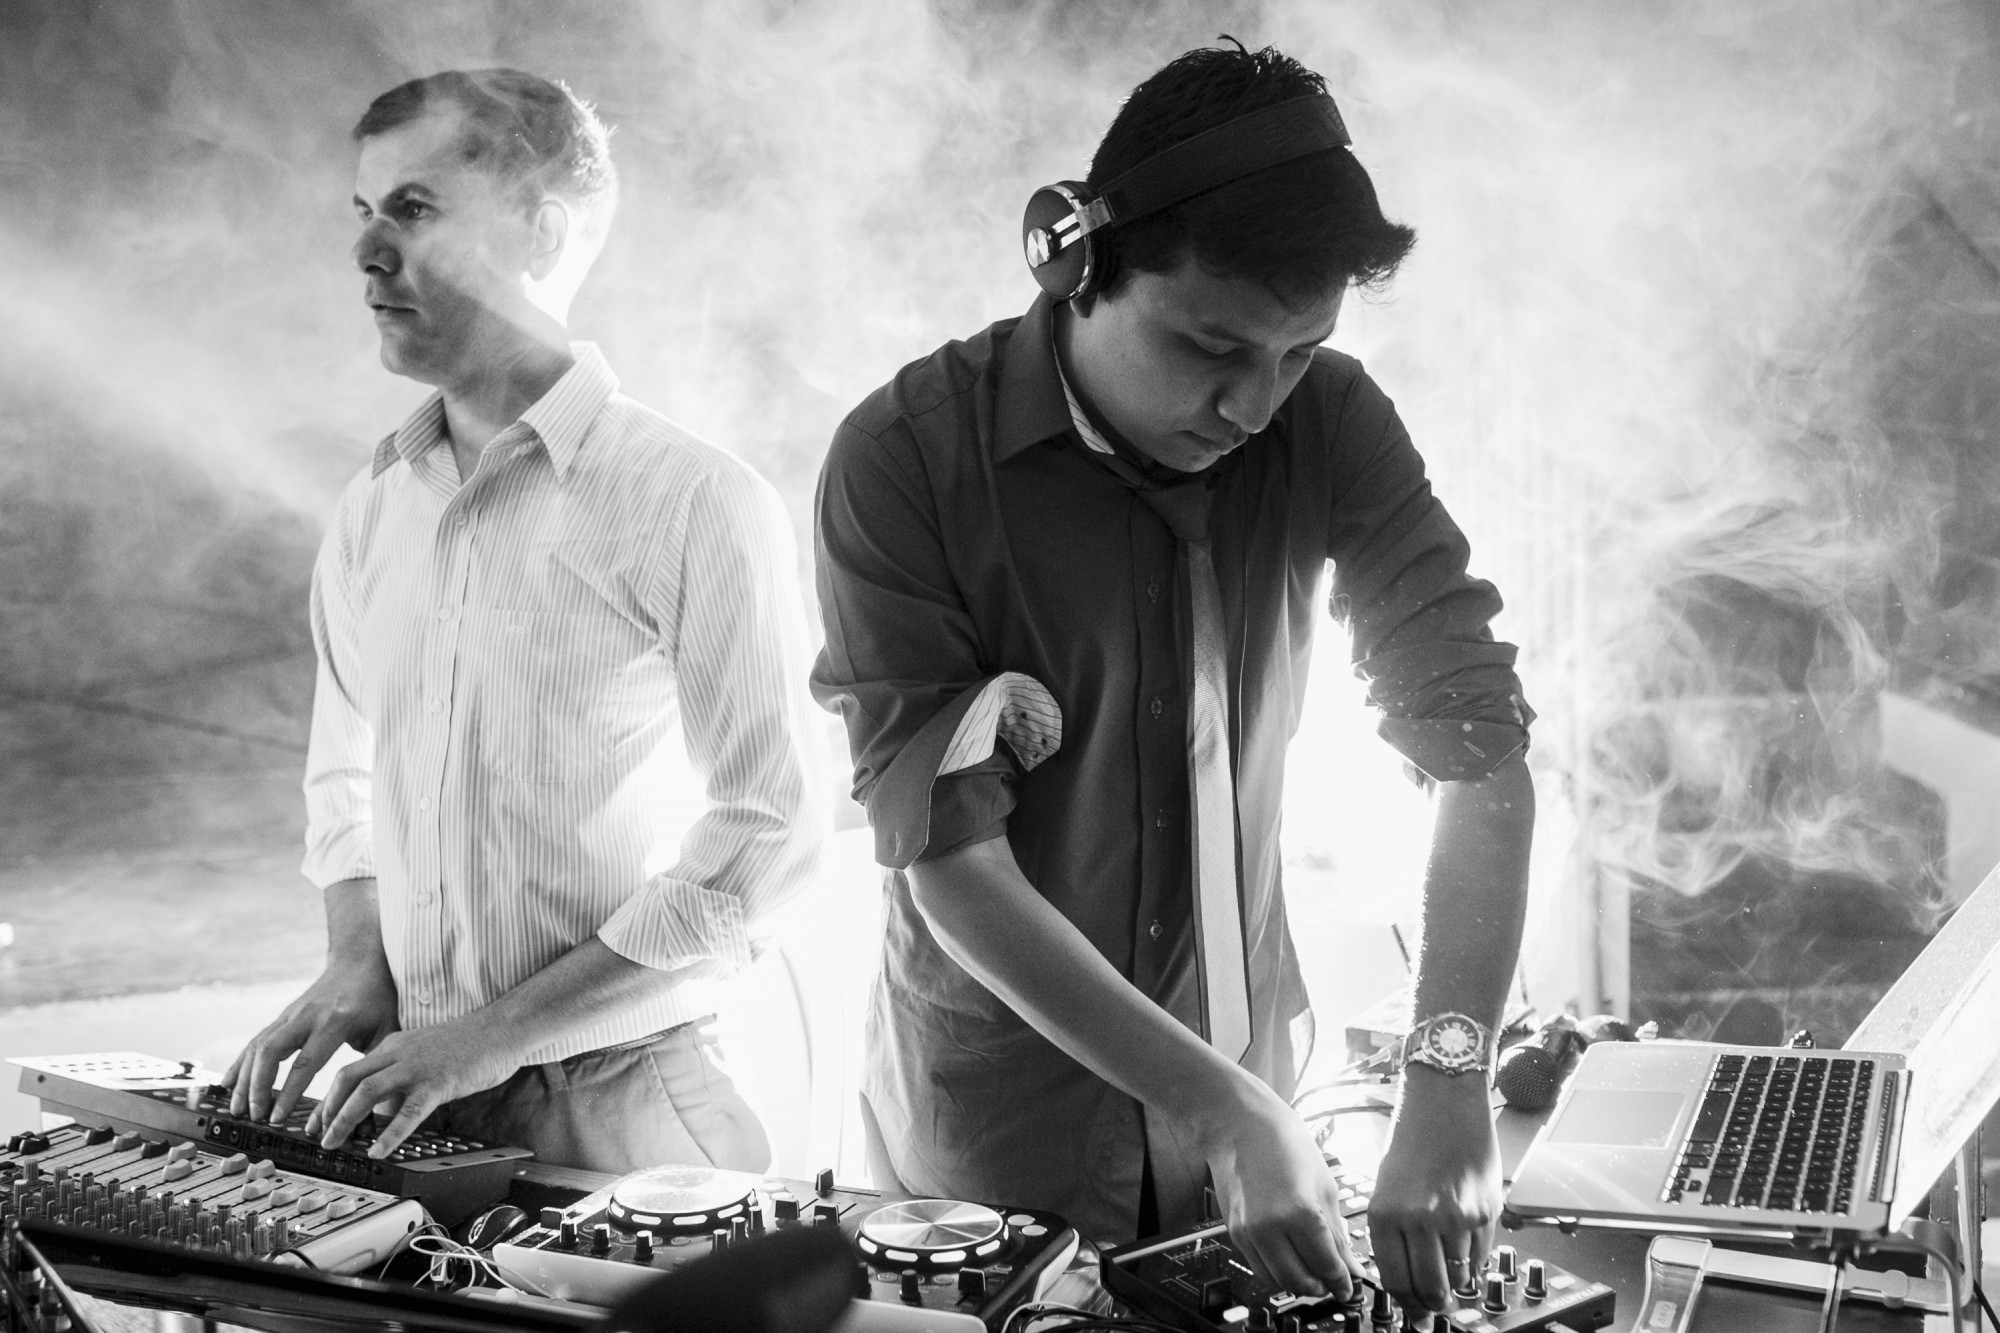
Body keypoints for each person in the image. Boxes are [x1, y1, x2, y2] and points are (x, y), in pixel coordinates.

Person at [811, 42, 1533, 1322]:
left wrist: (1446, 1074)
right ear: (1075, 263)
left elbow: (1474, 745)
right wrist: (1222, 1105)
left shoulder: (1335, 421)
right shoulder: (902, 458)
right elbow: (949, 862)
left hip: (1257, 1116)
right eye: (1211, 346)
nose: (1252, 405)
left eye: (1297, 353)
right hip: (1000, 1147)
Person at [224, 68, 825, 1175]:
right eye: (363, 214)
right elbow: (342, 781)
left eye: (412, 210)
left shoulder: (693, 498)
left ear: (540, 233)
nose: (365, 255)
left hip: (625, 1113)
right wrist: (359, 961)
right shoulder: (372, 509)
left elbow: (767, 839)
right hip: (412, 1091)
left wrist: (489, 1037)